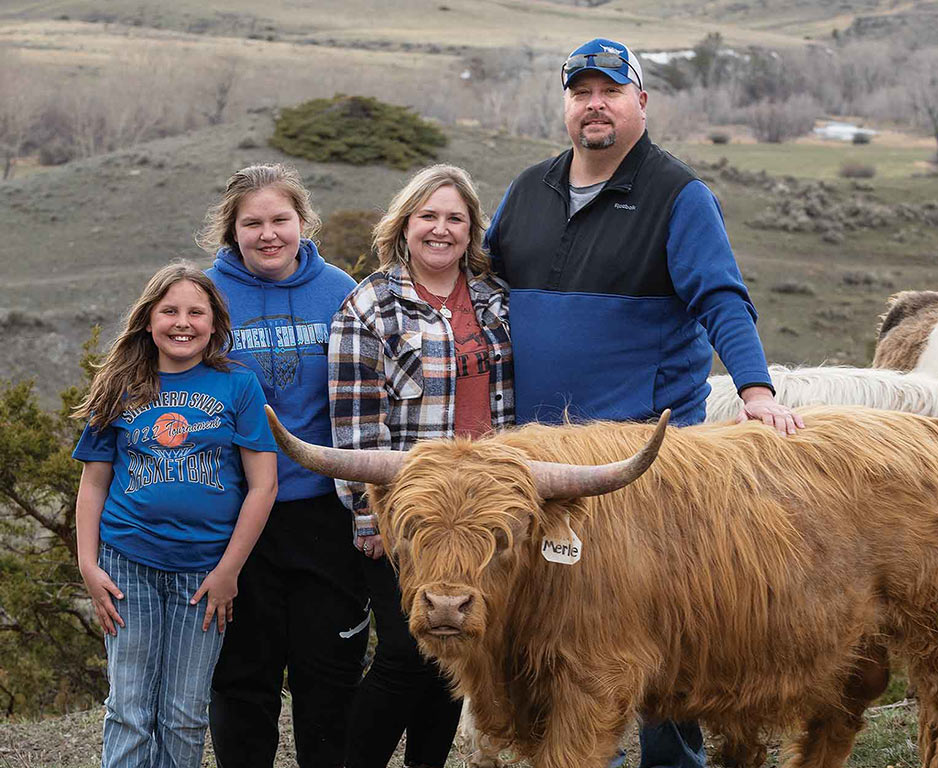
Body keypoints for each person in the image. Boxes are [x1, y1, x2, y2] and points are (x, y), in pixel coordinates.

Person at [484, 38, 804, 768]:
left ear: (641, 103)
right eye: (580, 92)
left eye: (610, 90)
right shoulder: (528, 189)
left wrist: (755, 390)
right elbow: (484, 289)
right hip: (536, 460)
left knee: (659, 631)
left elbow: (721, 297)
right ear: (566, 105)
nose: (594, 104)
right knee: (547, 621)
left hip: (640, 465)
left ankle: (672, 760)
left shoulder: (678, 195)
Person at [329, 164, 514, 768]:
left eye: (454, 219)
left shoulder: (494, 301)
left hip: (479, 513)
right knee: (407, 653)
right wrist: (369, 518)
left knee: (456, 652)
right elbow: (357, 429)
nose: (441, 230)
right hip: (412, 517)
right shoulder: (370, 305)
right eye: (427, 217)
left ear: (472, 231)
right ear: (404, 225)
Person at [72, 262, 278, 768]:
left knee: (184, 712)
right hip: (126, 566)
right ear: (148, 321)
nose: (182, 322)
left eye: (195, 312)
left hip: (205, 575)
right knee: (129, 707)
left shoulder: (239, 386)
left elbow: (263, 485)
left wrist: (228, 571)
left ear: (214, 323)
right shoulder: (122, 383)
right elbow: (94, 482)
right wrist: (87, 564)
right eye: (169, 311)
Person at [200, 164, 366, 768]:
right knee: (243, 680)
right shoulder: (204, 296)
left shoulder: (342, 290)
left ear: (302, 222)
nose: (268, 234)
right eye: (252, 224)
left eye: (280, 220)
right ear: (231, 229)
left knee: (329, 678)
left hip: (324, 514)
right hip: (235, 517)